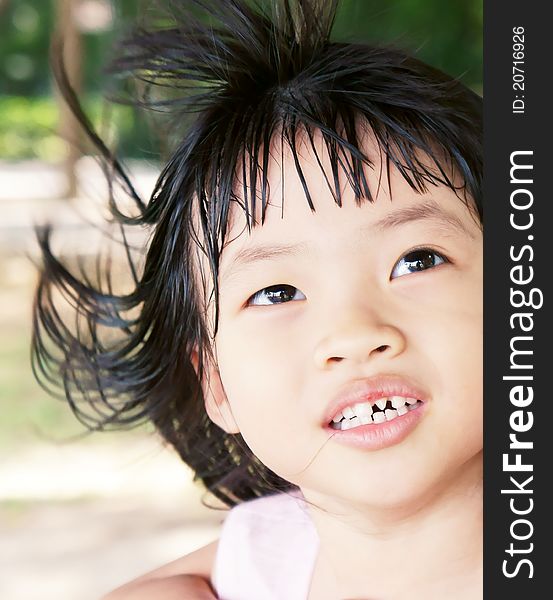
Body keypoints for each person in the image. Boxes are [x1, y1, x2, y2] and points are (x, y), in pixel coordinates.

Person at [32, 0, 483, 598]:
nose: (352, 333)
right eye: (276, 292)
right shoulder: (254, 565)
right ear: (215, 382)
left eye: (416, 260)